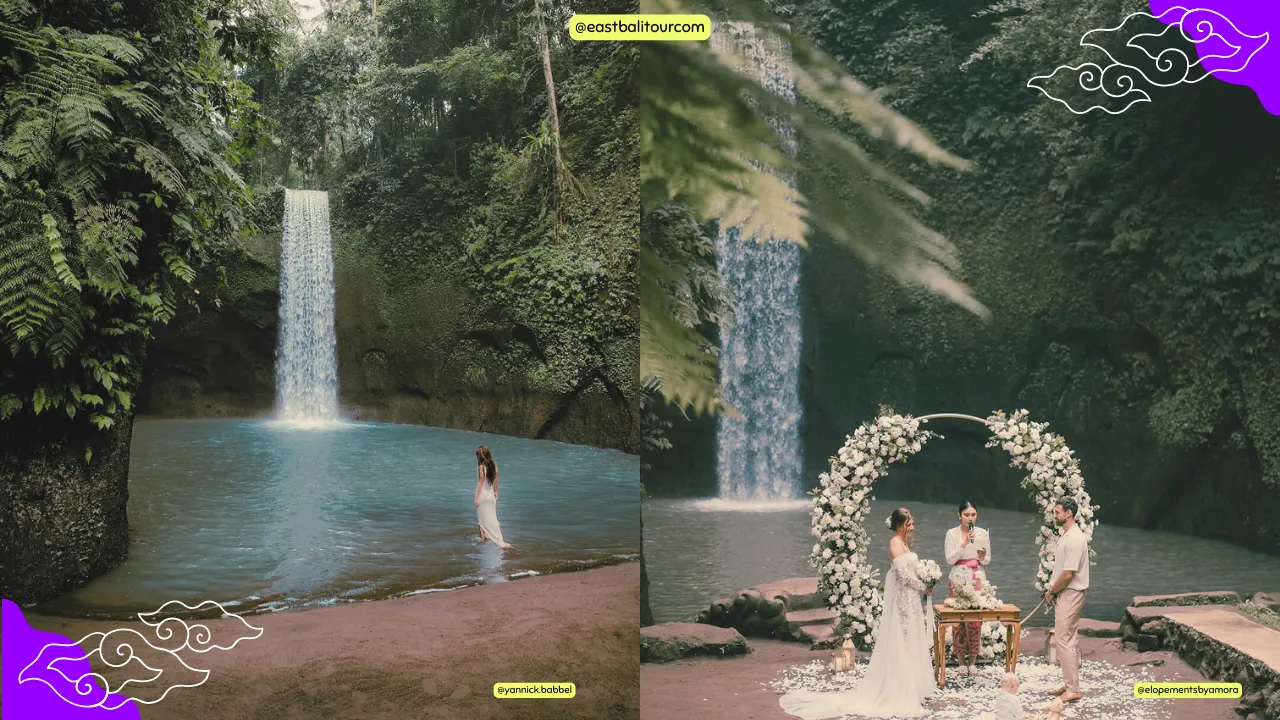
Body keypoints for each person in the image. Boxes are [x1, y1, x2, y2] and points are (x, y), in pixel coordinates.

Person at [779, 508, 935, 719]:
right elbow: (903, 575)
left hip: (911, 598)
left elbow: (910, 572)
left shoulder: (905, 543)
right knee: (901, 638)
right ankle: (899, 686)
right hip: (903, 599)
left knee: (911, 638)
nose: (912, 525)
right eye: (909, 522)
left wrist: (925, 577)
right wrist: (922, 585)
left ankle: (913, 685)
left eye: (912, 521)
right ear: (900, 524)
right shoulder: (895, 543)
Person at [1044, 498, 1088, 703]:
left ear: (1069, 513)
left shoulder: (1076, 539)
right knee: (1067, 639)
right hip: (1065, 592)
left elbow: (1068, 573)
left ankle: (1073, 689)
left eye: (1057, 512)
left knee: (1063, 639)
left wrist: (1052, 591)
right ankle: (1070, 683)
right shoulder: (1066, 535)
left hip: (1071, 592)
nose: (1055, 515)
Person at [944, 501, 992, 676]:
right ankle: (960, 660)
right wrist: (964, 543)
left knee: (975, 620)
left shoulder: (982, 533)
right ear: (959, 516)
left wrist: (982, 556)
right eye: (966, 515)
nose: (970, 518)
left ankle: (973, 660)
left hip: (977, 576)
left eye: (973, 515)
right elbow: (949, 559)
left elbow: (987, 560)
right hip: (958, 576)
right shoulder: (951, 533)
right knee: (959, 619)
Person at [473, 446, 511, 549]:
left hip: (483, 495)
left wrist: (476, 498)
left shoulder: (481, 467)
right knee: (492, 518)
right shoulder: (494, 465)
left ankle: (483, 540)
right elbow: (496, 480)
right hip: (491, 496)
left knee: (481, 520)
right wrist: (495, 492)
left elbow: (480, 482)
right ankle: (494, 537)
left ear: (480, 456)